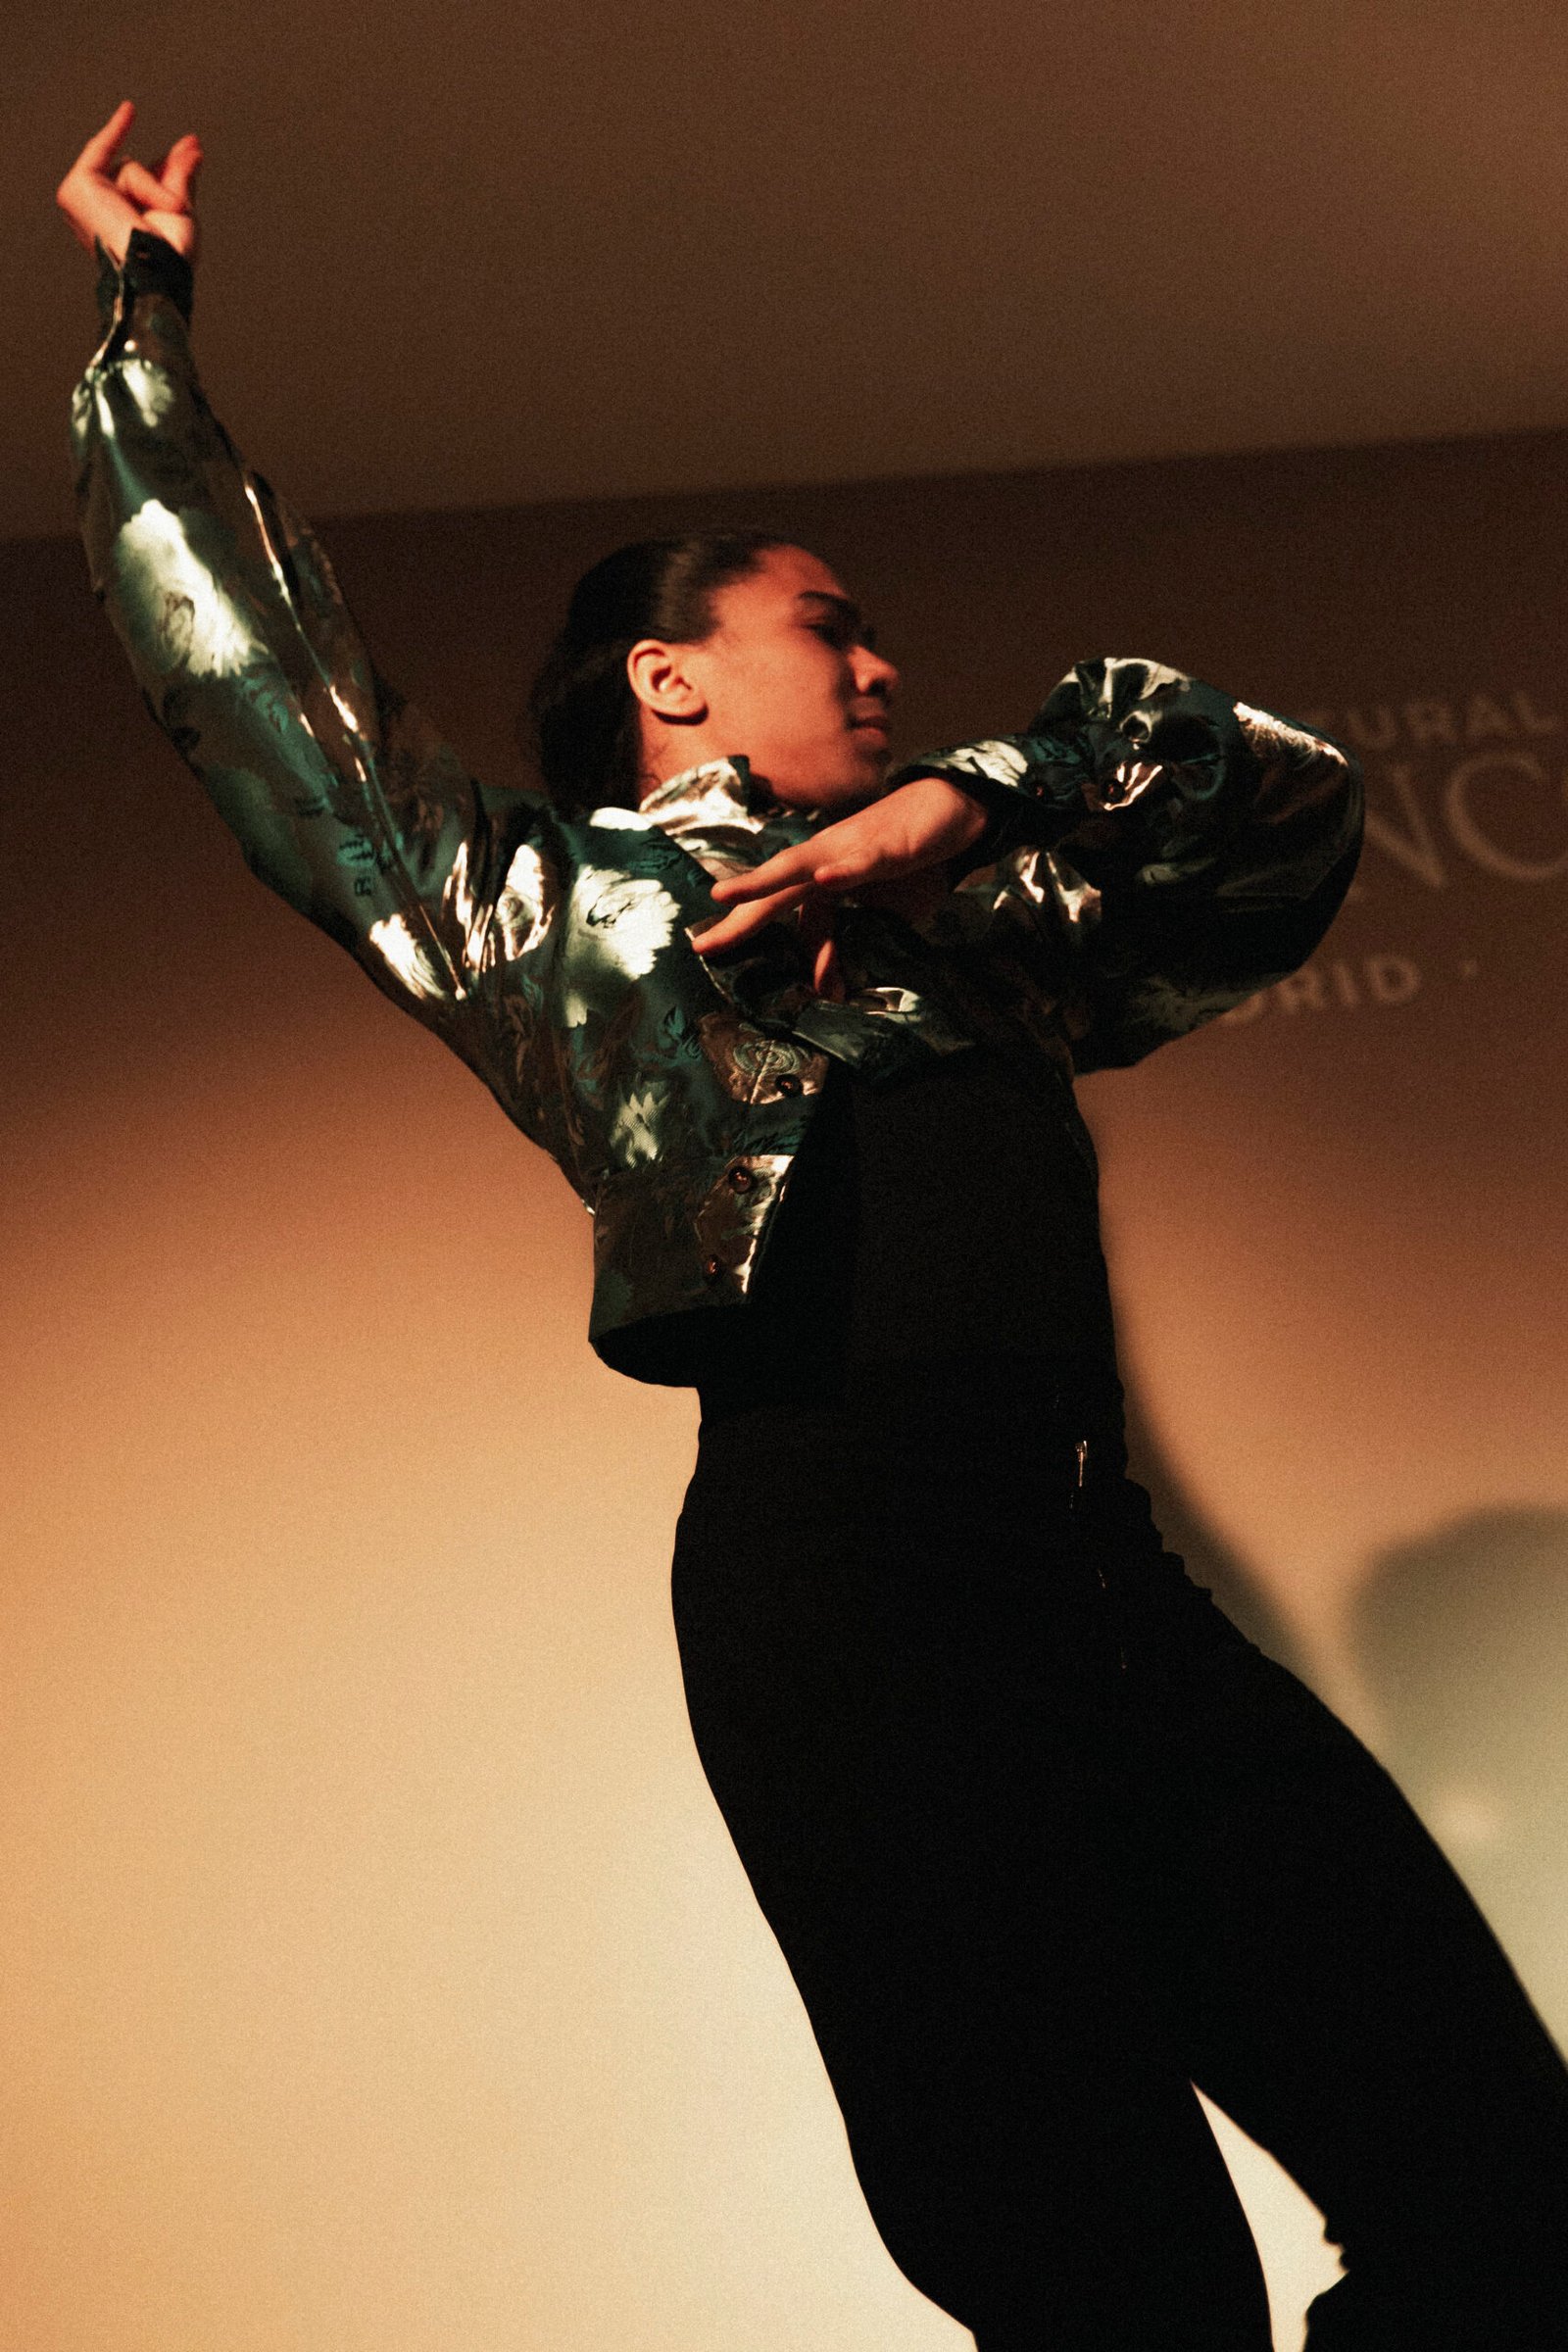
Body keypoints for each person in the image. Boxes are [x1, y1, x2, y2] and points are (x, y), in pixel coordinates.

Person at [57, 103, 1568, 2352]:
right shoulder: (549, 913)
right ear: (668, 679)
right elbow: (257, 684)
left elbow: (1281, 814)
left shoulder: (991, 933)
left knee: (1511, 2196)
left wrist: (971, 798)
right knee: (1114, 2283)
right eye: (827, 633)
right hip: (852, 1615)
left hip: (1112, 1595)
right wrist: (142, 329)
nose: (880, 672)